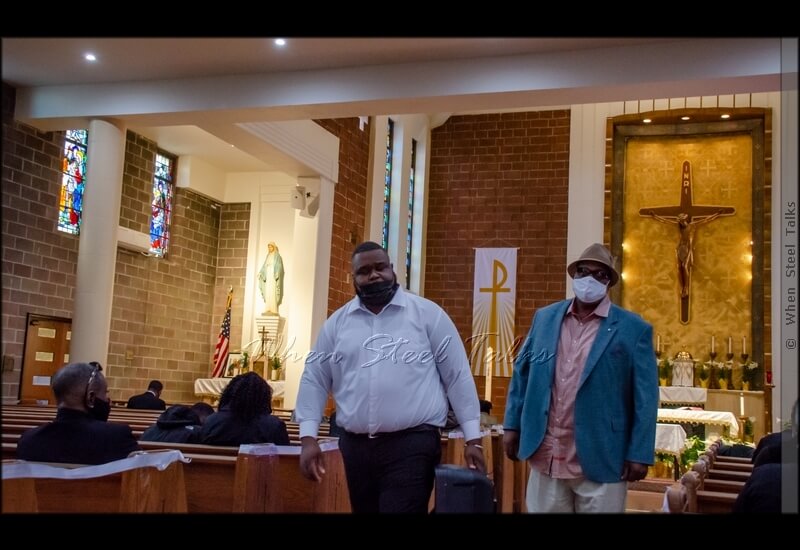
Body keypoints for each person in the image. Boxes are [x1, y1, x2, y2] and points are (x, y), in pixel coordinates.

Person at [295, 241, 485, 513]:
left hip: (412, 444)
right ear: (354, 278)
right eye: (364, 271)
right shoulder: (337, 325)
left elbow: (457, 376)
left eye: (380, 267)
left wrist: (473, 439)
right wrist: (308, 437)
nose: (374, 275)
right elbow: (314, 379)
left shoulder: (427, 315)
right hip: (356, 446)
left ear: (393, 270)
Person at [503, 243, 658, 513]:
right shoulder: (545, 318)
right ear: (574, 275)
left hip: (602, 454)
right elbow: (522, 375)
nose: (590, 279)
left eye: (600, 274)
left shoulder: (633, 329)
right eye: (584, 271)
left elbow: (645, 397)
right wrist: (512, 426)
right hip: (546, 452)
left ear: (609, 282)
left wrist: (639, 451)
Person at [17, 361, 140, 464]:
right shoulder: (117, 437)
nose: (108, 401)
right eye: (105, 393)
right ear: (91, 398)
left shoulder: (28, 440)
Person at [639, 210, 723, 299]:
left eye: (682, 220)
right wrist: (654, 216)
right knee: (679, 267)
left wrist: (717, 214)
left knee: (685, 266)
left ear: (685, 219)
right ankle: (681, 288)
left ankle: (686, 288)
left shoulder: (692, 225)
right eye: (679, 221)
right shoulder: (678, 226)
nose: (681, 222)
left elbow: (706, 220)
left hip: (688, 249)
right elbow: (665, 221)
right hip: (680, 248)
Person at [197, 372, 289, 446]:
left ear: (230, 393)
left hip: (215, 469)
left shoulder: (212, 421)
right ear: (264, 397)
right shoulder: (274, 426)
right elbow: (285, 460)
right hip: (257, 469)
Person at [258, 242, 284, 315]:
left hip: (273, 274)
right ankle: (268, 308)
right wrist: (260, 272)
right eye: (268, 247)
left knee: (273, 291)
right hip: (268, 275)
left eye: (271, 247)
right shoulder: (268, 256)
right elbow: (264, 266)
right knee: (268, 290)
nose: (269, 248)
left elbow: (279, 266)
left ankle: (273, 309)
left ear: (274, 247)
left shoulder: (277, 256)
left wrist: (277, 272)